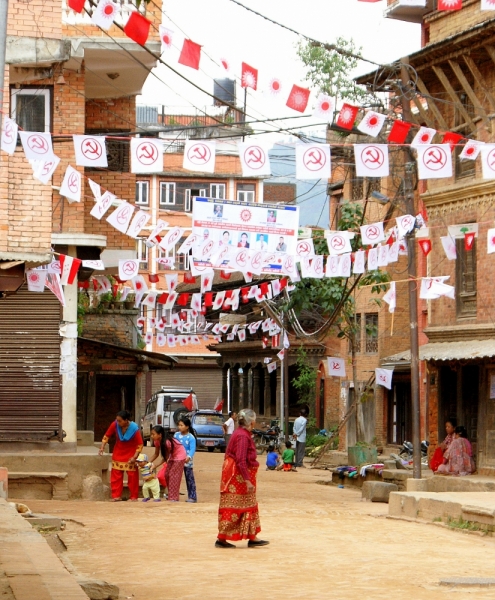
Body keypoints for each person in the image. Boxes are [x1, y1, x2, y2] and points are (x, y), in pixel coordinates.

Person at [216, 408, 268, 549]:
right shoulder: (243, 437)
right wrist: (247, 480)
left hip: (239, 475)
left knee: (247, 505)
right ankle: (222, 538)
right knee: (235, 506)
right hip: (238, 477)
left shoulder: (240, 433)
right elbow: (240, 460)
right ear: (251, 422)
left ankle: (252, 536)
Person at [99, 410, 143, 502]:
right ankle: (116, 496)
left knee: (132, 476)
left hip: (131, 454)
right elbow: (107, 435)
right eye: (117, 420)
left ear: (126, 420)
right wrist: (102, 447)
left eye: (120, 421)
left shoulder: (134, 429)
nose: (117, 422)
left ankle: (134, 496)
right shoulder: (115, 424)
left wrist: (134, 457)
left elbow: (139, 445)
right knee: (116, 475)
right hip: (118, 452)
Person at [150, 425, 186, 502]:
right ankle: (171, 494)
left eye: (153, 434)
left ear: (160, 435)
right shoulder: (156, 441)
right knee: (166, 475)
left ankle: (174, 497)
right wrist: (148, 462)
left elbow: (165, 458)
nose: (152, 436)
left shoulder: (167, 443)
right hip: (173, 456)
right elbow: (156, 454)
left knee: (173, 475)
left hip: (180, 456)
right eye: (151, 434)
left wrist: (155, 465)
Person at [174, 417, 197, 503]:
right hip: (177, 459)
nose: (179, 427)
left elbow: (192, 448)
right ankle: (174, 495)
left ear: (187, 426)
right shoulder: (176, 435)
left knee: (189, 478)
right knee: (175, 478)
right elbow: (173, 447)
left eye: (181, 425)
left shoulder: (191, 437)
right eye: (179, 425)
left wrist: (189, 457)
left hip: (187, 460)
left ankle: (192, 496)